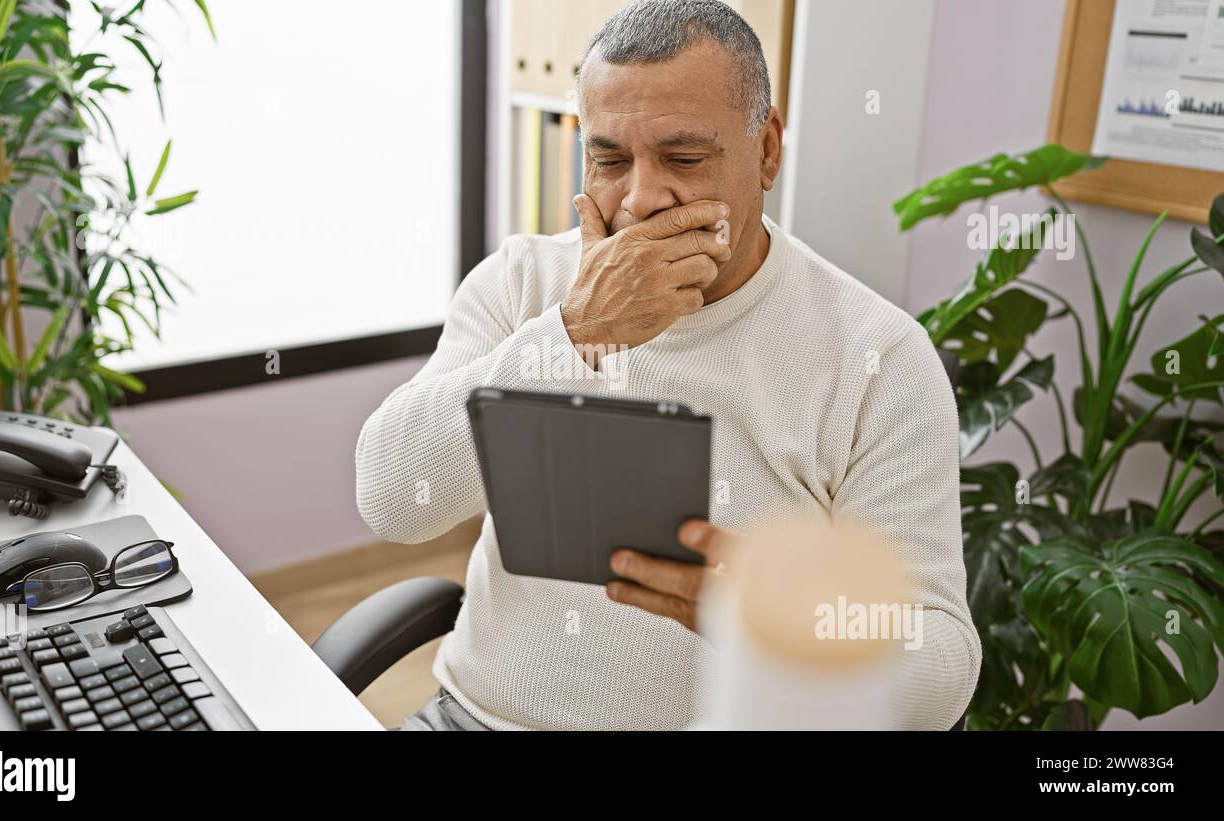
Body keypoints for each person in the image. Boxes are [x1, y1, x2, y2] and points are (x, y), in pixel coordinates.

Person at [357, 0, 980, 731]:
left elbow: (940, 670)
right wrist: (575, 334)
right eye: (610, 160)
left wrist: (781, 618)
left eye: (685, 158)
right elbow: (394, 500)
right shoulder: (524, 283)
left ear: (768, 149)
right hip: (481, 718)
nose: (642, 199)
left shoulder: (877, 358)